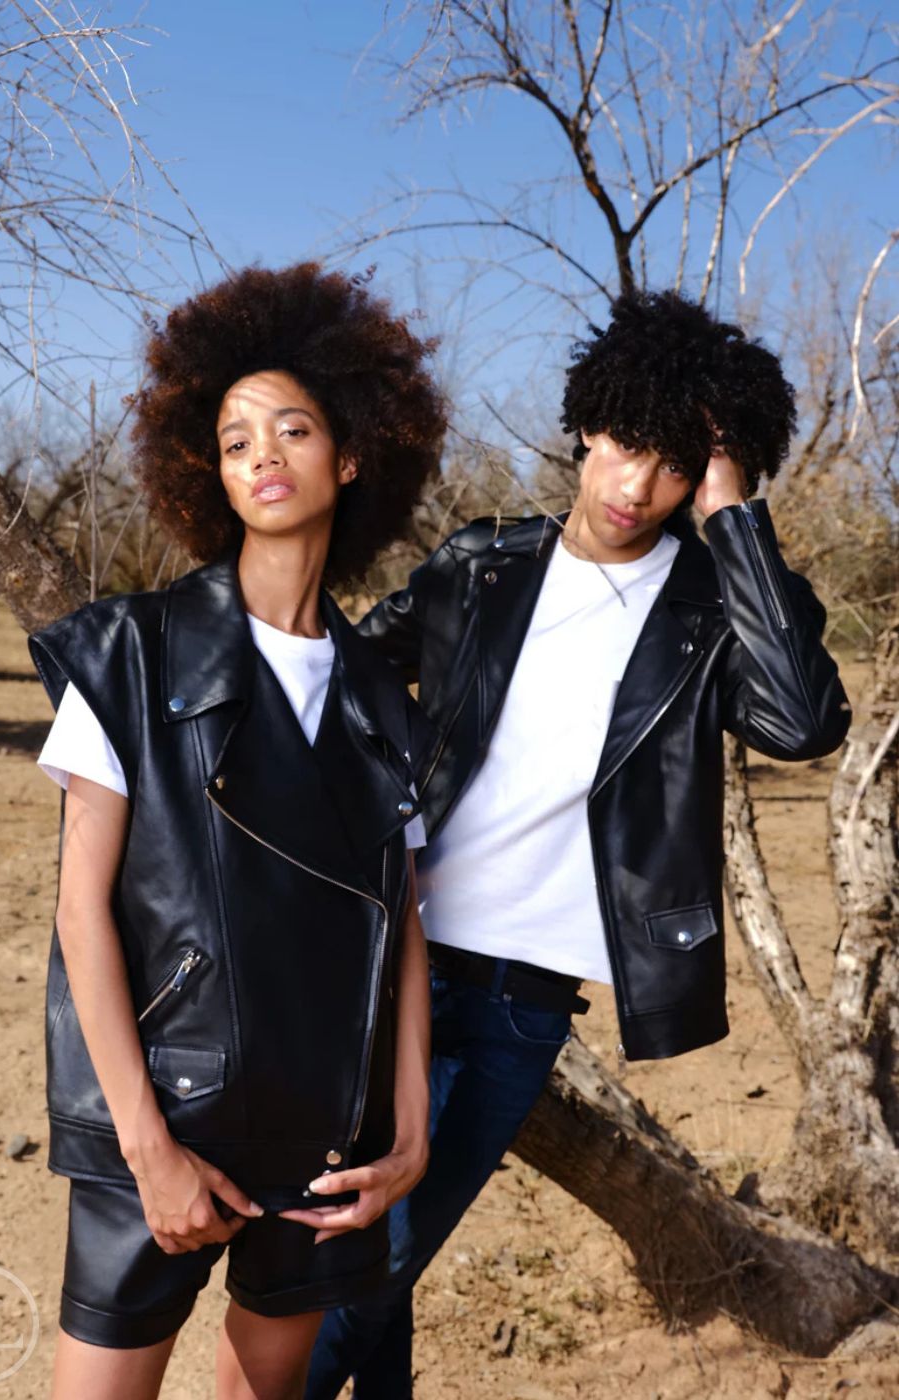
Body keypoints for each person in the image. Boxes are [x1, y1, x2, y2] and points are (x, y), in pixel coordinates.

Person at [305, 288, 852, 1398]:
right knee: (356, 1253)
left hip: (518, 995)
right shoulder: (481, 565)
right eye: (626, 448)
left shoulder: (710, 608)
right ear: (590, 424)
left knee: (372, 1264)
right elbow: (338, 674)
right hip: (383, 952)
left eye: (676, 470)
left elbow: (801, 722)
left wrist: (733, 515)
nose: (632, 488)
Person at [29, 262, 447, 1400]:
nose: (260, 454)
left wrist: (406, 1128)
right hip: (170, 1116)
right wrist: (148, 1148)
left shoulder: (381, 697)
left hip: (330, 1140)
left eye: (293, 427)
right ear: (205, 470)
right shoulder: (128, 652)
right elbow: (80, 913)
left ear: (353, 454)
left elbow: (398, 922)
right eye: (232, 438)